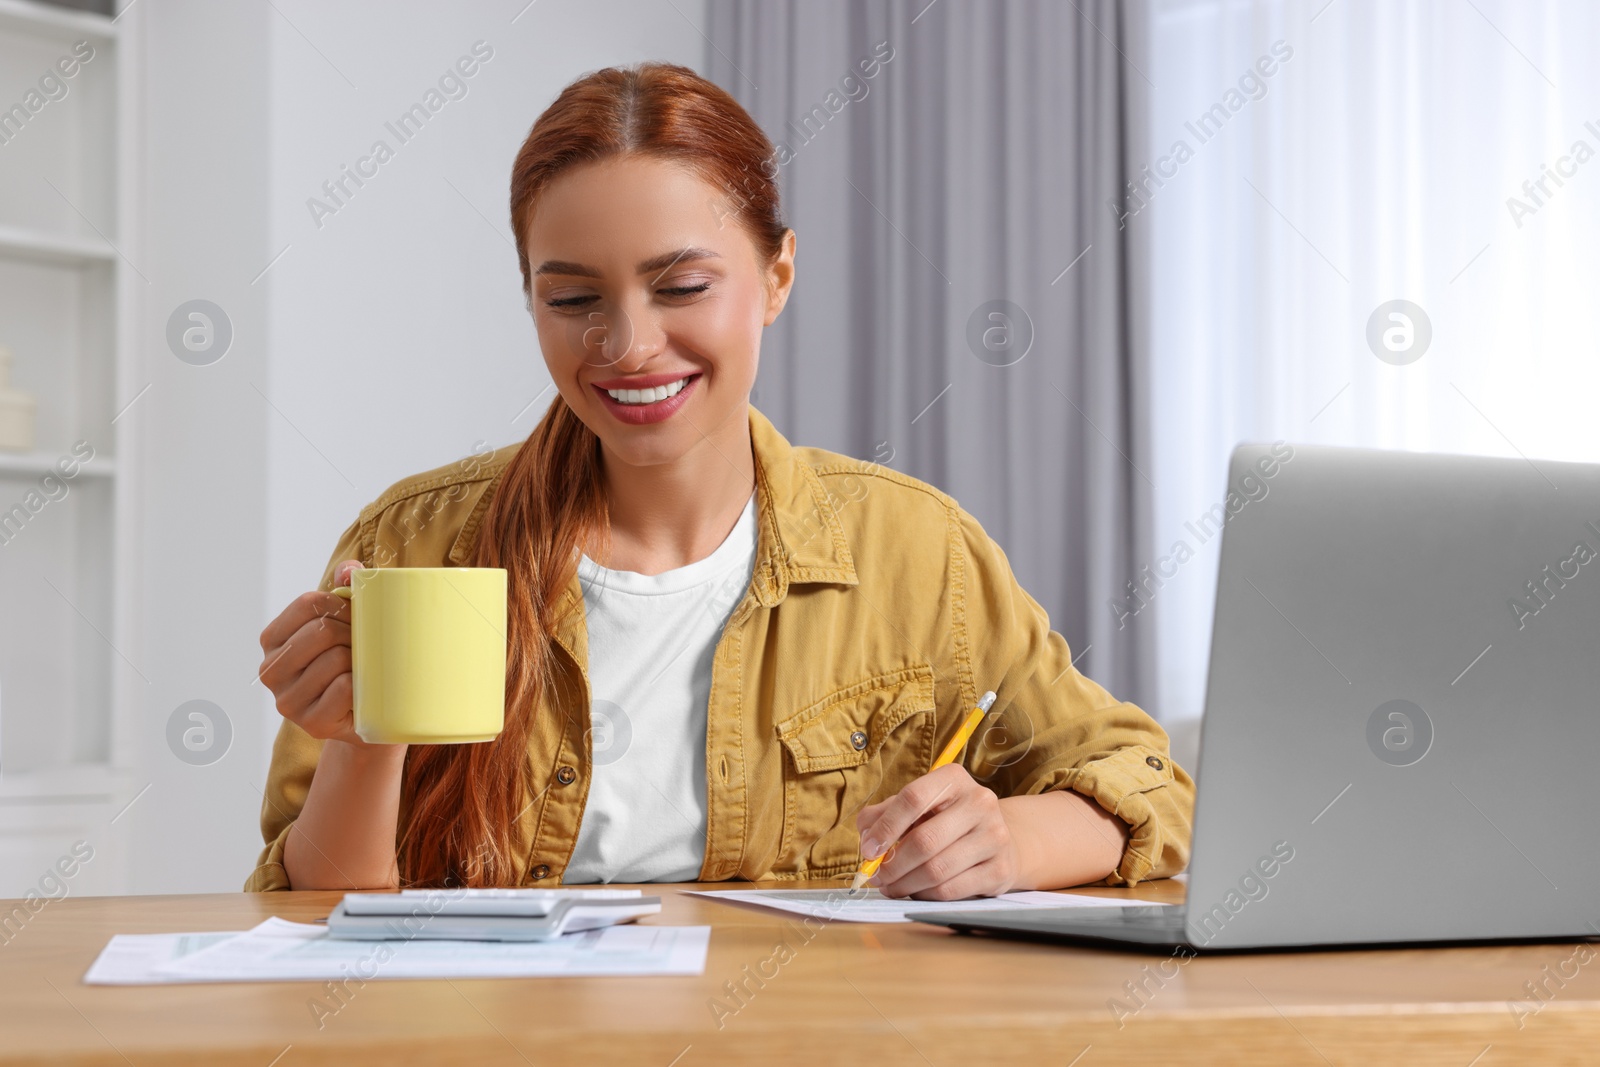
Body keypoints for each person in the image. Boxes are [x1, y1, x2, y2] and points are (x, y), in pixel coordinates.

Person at [250, 62, 1192, 900]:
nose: (627, 345)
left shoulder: (914, 550)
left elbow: (1146, 777)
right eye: (573, 298)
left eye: (682, 286)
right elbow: (316, 908)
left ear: (777, 276)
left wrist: (1011, 839)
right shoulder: (414, 542)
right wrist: (366, 743)